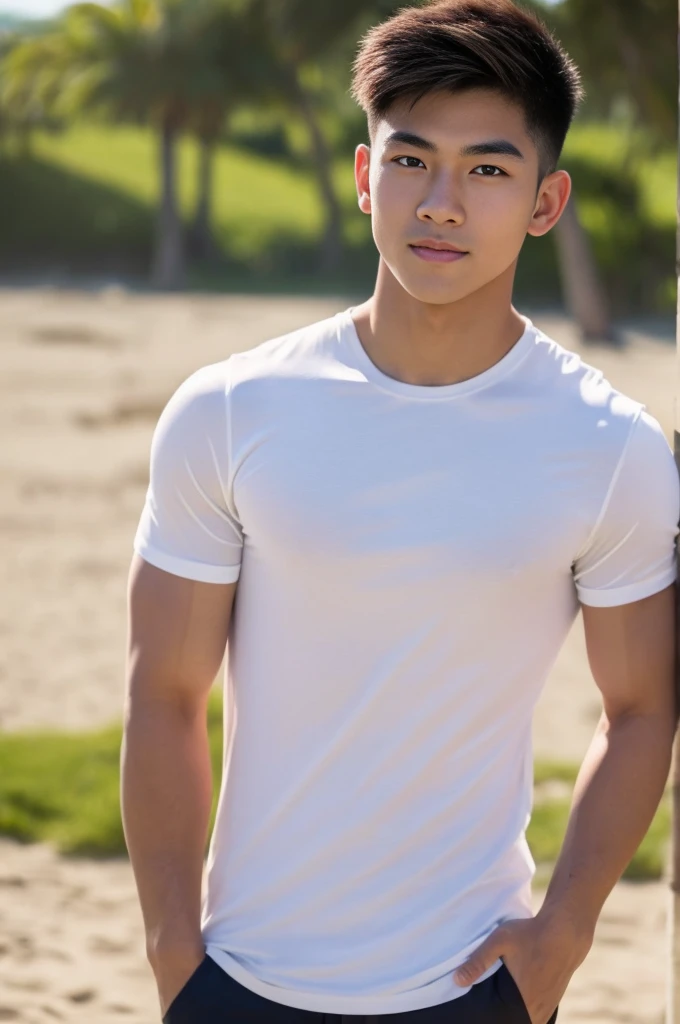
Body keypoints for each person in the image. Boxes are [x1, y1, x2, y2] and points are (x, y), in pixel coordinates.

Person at [121, 1, 679, 1022]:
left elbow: (640, 708)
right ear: (362, 175)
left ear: (545, 202)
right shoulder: (230, 408)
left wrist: (559, 936)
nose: (441, 203)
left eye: (488, 170)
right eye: (411, 159)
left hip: (473, 982)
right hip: (237, 975)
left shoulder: (610, 448)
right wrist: (173, 954)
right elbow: (163, 690)